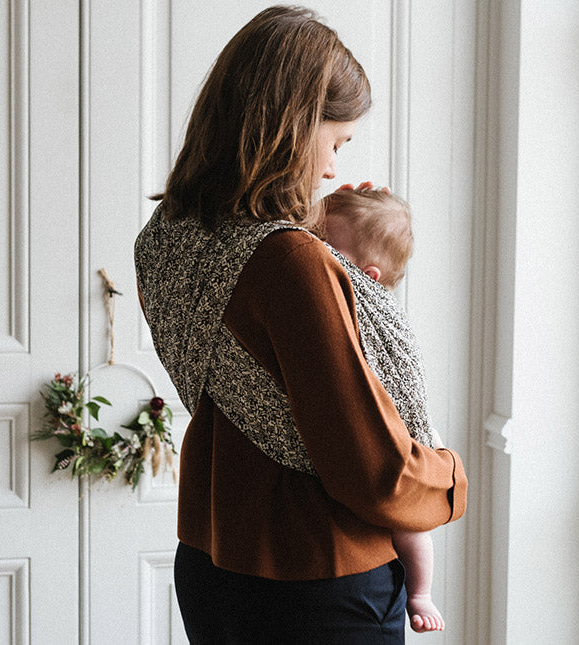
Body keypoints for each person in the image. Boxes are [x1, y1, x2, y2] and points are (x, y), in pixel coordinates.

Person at [134, 6, 466, 644]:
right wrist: (449, 478)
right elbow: (374, 470)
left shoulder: (166, 238)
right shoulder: (289, 260)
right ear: (289, 125)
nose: (334, 168)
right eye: (335, 140)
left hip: (210, 556)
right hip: (319, 576)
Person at [321, 186, 446, 632]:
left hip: (402, 441)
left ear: (367, 275)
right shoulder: (334, 290)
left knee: (409, 524)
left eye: (327, 245)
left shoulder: (368, 308)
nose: (314, 249)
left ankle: (421, 593)